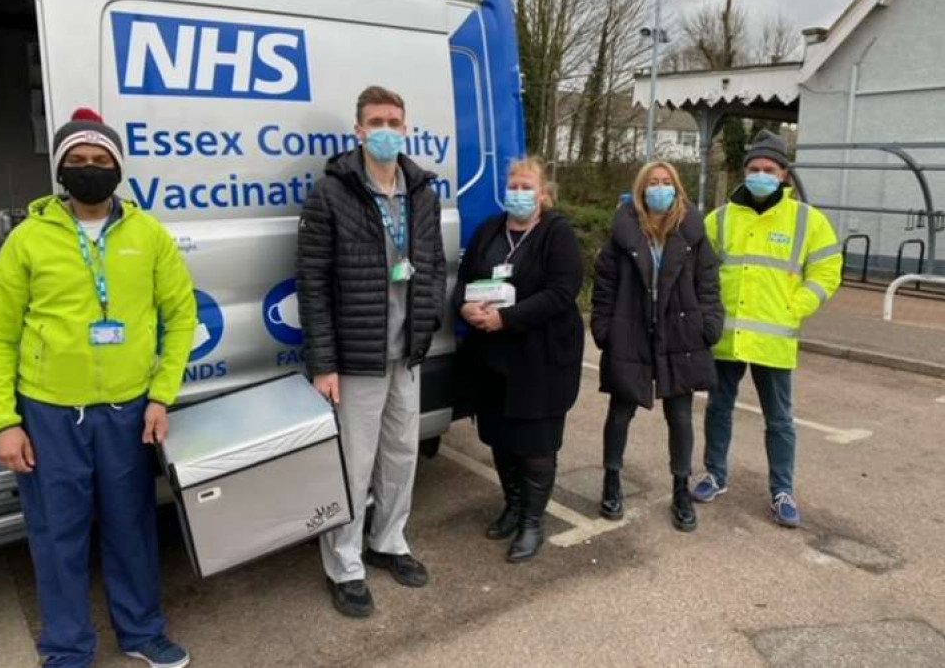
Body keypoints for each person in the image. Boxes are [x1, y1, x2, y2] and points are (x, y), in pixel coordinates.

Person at [0, 109, 196, 668]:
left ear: (118, 169)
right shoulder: (29, 240)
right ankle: (68, 649)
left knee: (132, 528)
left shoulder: (148, 236)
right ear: (60, 170)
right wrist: (2, 420)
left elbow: (180, 313)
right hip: (50, 413)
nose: (90, 169)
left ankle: (142, 632)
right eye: (77, 161)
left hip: (126, 413)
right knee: (56, 537)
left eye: (101, 161)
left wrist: (159, 397)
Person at [297, 86, 446, 618]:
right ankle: (345, 563)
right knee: (353, 465)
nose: (386, 129)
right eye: (376, 121)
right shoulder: (332, 193)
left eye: (395, 121)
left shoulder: (422, 190)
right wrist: (324, 363)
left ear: (406, 127)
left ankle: (388, 542)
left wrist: (426, 325)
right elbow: (312, 283)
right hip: (356, 358)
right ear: (358, 131)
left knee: (401, 458)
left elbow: (433, 264)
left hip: (405, 354)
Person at [692, 129, 842, 527]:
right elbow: (700, 270)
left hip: (774, 338)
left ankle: (782, 491)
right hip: (725, 335)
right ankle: (714, 474)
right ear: (744, 172)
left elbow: (827, 270)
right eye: (754, 168)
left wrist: (798, 306)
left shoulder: (808, 221)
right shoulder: (720, 218)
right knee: (718, 408)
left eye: (769, 169)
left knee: (779, 420)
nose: (761, 174)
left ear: (784, 176)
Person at [453, 157, 584, 563]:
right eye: (513, 184)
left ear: (544, 194)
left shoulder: (556, 233)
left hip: (540, 361)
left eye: (527, 186)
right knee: (499, 436)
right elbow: (464, 281)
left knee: (536, 444)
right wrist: (464, 309)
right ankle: (512, 505)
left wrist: (505, 318)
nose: (518, 193)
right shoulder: (490, 229)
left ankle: (532, 521)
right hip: (491, 357)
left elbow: (562, 292)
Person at [591, 161, 723, 531]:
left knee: (680, 417)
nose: (659, 188)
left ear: (677, 188)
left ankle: (681, 488)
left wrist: (709, 328)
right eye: (653, 183)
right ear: (641, 189)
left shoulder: (692, 232)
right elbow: (604, 283)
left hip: (680, 333)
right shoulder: (625, 230)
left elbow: (708, 283)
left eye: (666, 182)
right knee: (620, 413)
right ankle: (611, 481)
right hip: (630, 331)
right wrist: (604, 330)